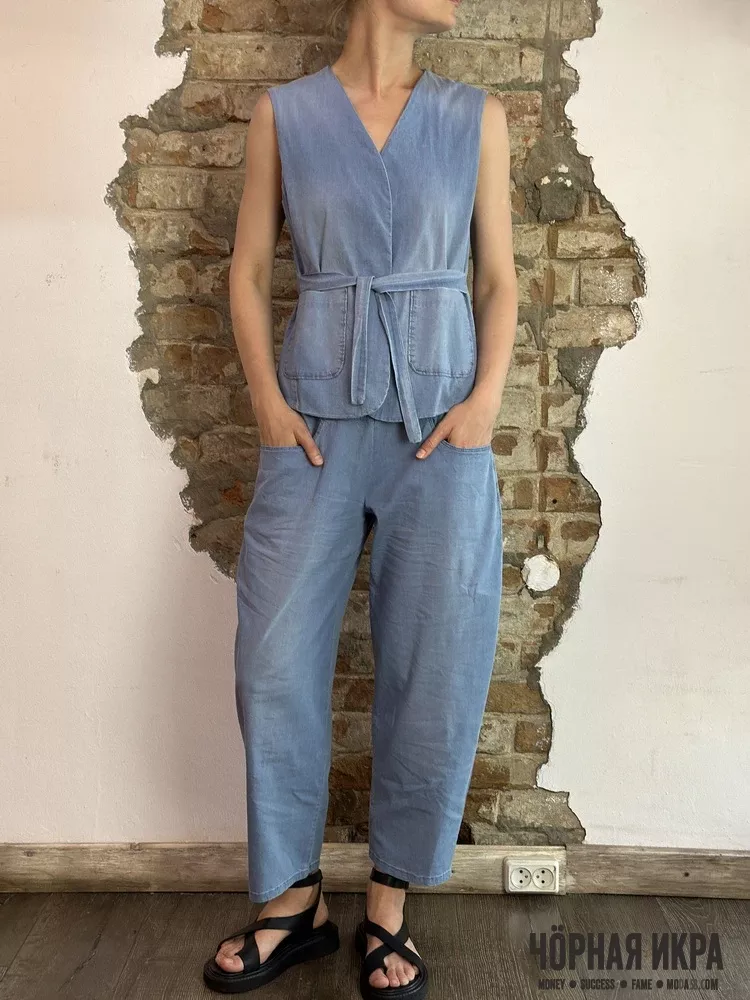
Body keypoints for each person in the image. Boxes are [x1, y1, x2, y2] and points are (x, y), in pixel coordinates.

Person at [202, 0, 517, 995]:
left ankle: (389, 903)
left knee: (436, 663)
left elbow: (498, 279)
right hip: (311, 426)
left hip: (442, 429)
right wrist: (265, 400)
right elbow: (248, 270)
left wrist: (484, 403)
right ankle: (294, 903)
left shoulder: (477, 118)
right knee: (271, 660)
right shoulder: (285, 115)